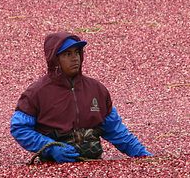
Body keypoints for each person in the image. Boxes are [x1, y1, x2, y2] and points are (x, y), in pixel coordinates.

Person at [10, 31, 152, 162]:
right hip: (52, 167)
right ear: (55, 59)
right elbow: (19, 128)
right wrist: (50, 148)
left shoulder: (96, 90)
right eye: (67, 54)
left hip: (93, 166)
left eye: (77, 52)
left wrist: (143, 155)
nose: (75, 58)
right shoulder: (37, 93)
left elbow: (116, 130)